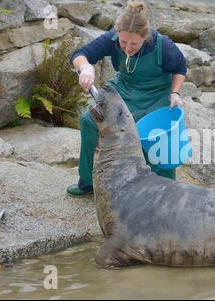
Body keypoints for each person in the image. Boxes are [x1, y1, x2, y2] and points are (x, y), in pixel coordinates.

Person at [66, 0, 187, 197]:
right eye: (123, 42)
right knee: (88, 121)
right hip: (123, 88)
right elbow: (80, 54)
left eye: (134, 44)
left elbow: (180, 68)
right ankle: (88, 182)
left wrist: (175, 93)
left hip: (156, 94)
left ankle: (166, 191)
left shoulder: (163, 45)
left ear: (145, 37)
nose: (127, 48)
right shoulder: (112, 39)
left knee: (156, 136)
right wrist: (85, 67)